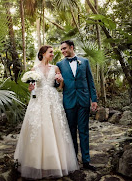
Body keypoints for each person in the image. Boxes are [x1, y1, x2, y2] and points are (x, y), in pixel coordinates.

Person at [14, 45, 79, 180]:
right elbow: (31, 88)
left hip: (53, 100)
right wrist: (30, 88)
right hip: (38, 101)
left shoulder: (55, 68)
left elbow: (60, 87)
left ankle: (56, 162)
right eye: (50, 52)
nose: (52, 54)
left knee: (56, 129)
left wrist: (60, 81)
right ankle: (36, 162)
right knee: (39, 129)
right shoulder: (34, 70)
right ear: (43, 53)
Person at [56, 40, 98, 171]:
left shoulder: (84, 61)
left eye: (64, 49)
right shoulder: (59, 64)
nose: (63, 51)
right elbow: (57, 85)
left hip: (84, 100)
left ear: (71, 47)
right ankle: (73, 159)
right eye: (61, 50)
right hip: (69, 102)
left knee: (84, 131)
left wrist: (94, 99)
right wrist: (58, 82)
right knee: (71, 131)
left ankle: (86, 161)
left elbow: (90, 81)